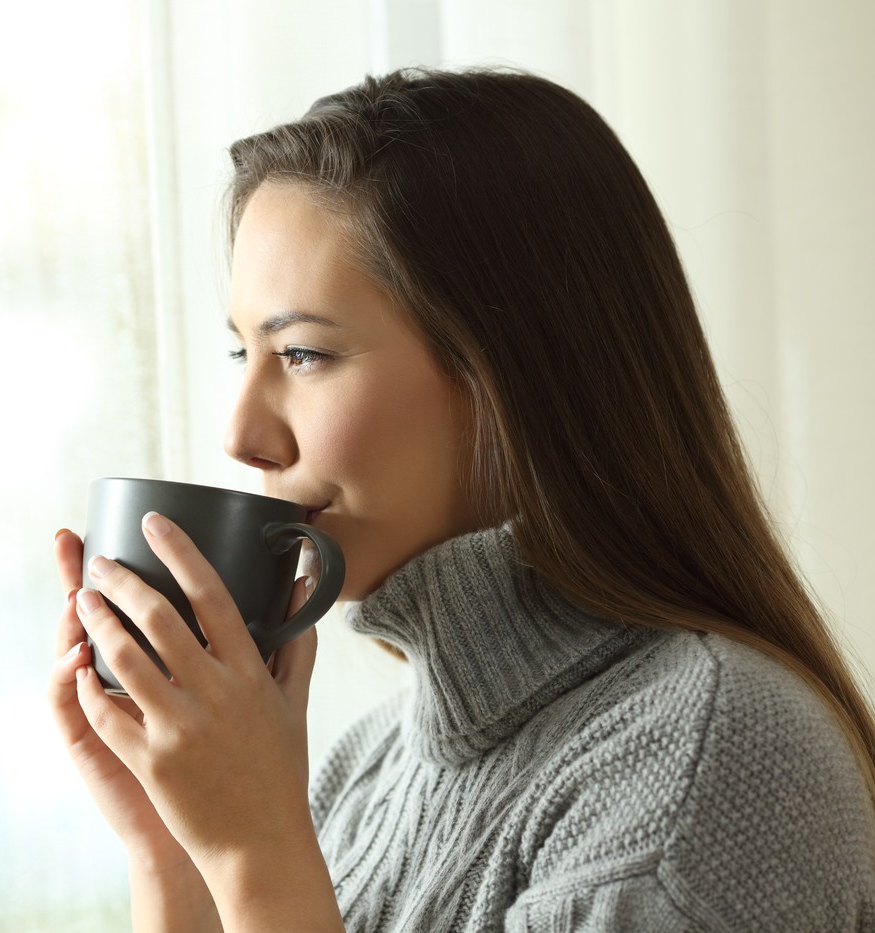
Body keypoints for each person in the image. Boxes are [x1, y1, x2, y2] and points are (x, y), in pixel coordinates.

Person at [47, 67, 875, 932]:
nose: (243, 434)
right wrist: (177, 855)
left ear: (514, 373)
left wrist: (253, 855)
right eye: (240, 356)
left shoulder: (716, 756)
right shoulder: (362, 775)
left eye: (301, 355)